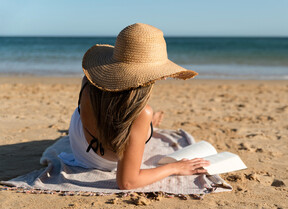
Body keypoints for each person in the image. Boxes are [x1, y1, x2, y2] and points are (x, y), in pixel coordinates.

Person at [68, 23, 210, 190]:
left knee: (137, 116)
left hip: (79, 140)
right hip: (100, 160)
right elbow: (127, 182)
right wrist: (175, 167)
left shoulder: (90, 79)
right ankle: (149, 126)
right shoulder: (142, 113)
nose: (163, 78)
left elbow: (108, 107)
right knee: (142, 117)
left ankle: (149, 126)